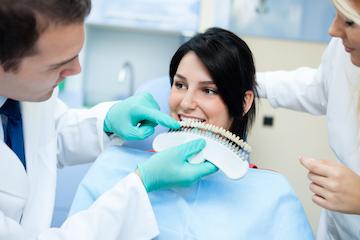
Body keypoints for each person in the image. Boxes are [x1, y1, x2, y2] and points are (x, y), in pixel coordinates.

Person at [69, 27, 314, 239]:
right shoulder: (114, 167)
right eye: (180, 85)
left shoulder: (272, 195)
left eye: (208, 91)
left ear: (244, 102)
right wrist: (142, 181)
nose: (186, 102)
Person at [0, 1, 217, 239]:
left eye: (75, 55)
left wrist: (105, 122)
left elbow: (44, 134)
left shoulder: (20, 92)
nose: (77, 69)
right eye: (57, 66)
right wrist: (140, 185)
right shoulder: (109, 174)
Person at [256, 0, 360, 239]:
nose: (332, 30)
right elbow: (320, 87)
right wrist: (249, 82)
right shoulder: (343, 51)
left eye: (349, 22)